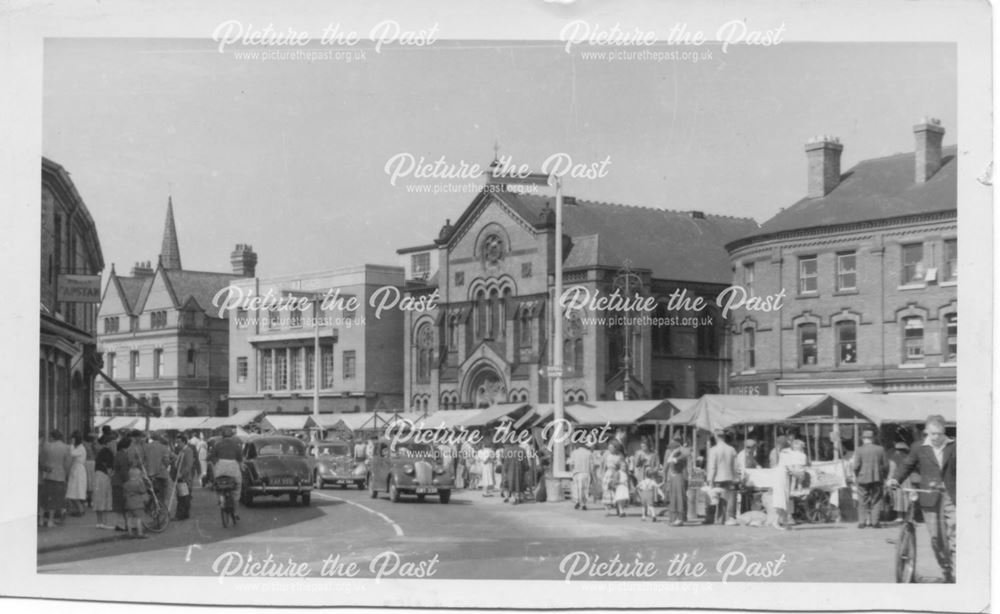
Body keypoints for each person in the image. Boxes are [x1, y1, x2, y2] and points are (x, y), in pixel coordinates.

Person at [888, 415, 956, 582]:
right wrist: (895, 479)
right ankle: (946, 569)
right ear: (927, 431)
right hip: (929, 496)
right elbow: (907, 465)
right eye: (933, 434)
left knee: (955, 531)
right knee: (936, 538)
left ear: (944, 431)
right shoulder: (919, 447)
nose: (936, 437)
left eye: (939, 433)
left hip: (951, 495)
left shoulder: (954, 446)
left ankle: (958, 569)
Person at [852, 428, 889, 529]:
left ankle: (862, 522)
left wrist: (857, 475)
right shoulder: (880, 449)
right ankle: (875, 522)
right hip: (877, 478)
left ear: (864, 439)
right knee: (876, 500)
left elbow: (856, 466)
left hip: (863, 478)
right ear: (873, 439)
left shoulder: (859, 450)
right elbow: (886, 465)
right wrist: (884, 476)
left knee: (862, 500)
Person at [39, 430, 73, 528]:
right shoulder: (66, 447)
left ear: (52, 437)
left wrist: (45, 469)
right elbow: (67, 464)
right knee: (54, 500)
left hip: (47, 475)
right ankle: (50, 521)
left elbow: (41, 461)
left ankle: (41, 520)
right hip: (59, 476)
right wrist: (67, 475)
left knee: (44, 498)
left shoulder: (46, 446)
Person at [706, 429, 738, 525]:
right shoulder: (732, 449)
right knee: (727, 499)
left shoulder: (713, 450)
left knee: (713, 499)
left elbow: (712, 467)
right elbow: (735, 466)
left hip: (717, 478)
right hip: (729, 477)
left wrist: (710, 481)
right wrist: (735, 478)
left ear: (716, 437)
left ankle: (714, 519)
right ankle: (726, 518)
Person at [209, 427, 244, 512]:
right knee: (238, 485)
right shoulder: (236, 444)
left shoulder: (217, 444)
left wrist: (216, 463)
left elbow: (212, 456)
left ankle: (220, 499)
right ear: (231, 435)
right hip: (233, 466)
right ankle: (235, 511)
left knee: (217, 484)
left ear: (222, 436)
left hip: (220, 466)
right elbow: (240, 458)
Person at [663, 436, 690, 526]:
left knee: (679, 497)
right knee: (673, 497)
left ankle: (680, 518)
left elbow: (669, 460)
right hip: (674, 478)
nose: (670, 450)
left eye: (671, 448)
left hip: (679, 477)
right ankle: (674, 518)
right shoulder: (677, 455)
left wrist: (674, 452)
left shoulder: (681, 456)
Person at [92, 435, 115, 529]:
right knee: (105, 498)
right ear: (109, 443)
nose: (115, 444)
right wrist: (112, 476)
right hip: (104, 476)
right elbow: (109, 469)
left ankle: (99, 521)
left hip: (97, 475)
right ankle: (104, 522)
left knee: (98, 498)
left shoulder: (101, 451)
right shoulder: (109, 452)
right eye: (113, 442)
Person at [887, 441, 912, 522]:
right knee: (907, 497)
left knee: (897, 497)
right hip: (907, 479)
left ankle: (900, 516)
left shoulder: (893, 458)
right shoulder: (908, 457)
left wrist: (889, 480)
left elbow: (892, 470)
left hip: (897, 479)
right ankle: (907, 517)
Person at [111, 437, 133, 531]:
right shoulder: (123, 456)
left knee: (118, 504)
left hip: (116, 481)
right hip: (121, 482)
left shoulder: (118, 454)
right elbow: (124, 471)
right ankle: (123, 525)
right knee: (122, 504)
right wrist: (127, 481)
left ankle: (120, 524)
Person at [173, 433, 197, 520]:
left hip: (184, 477)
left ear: (183, 442)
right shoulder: (181, 451)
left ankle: (181, 515)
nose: (177, 444)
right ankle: (184, 514)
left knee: (183, 497)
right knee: (182, 496)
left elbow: (189, 465)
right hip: (180, 476)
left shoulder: (188, 451)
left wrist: (182, 474)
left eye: (179, 442)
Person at [65, 431, 89, 517]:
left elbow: (72, 453)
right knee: (74, 491)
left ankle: (80, 510)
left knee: (75, 491)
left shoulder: (81, 448)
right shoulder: (79, 447)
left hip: (78, 470)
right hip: (76, 469)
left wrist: (71, 444)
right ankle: (79, 509)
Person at [123, 467, 148, 539]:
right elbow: (143, 491)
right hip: (138, 504)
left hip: (128, 504)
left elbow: (124, 494)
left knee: (129, 518)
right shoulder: (139, 483)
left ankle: (130, 533)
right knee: (139, 518)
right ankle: (140, 533)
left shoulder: (126, 484)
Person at [569, 442, 592, 511]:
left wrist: (571, 473)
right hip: (586, 473)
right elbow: (591, 465)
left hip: (577, 473)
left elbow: (571, 464)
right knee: (585, 489)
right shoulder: (589, 453)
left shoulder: (574, 452)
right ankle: (584, 504)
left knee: (576, 488)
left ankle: (577, 502)